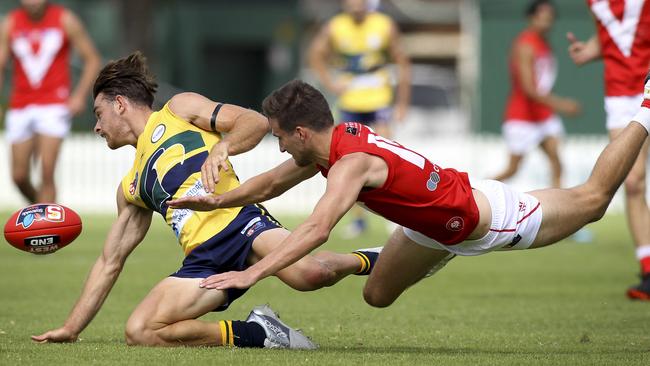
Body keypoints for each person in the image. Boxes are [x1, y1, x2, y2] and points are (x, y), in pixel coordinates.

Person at [168, 78, 650, 310]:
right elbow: (270, 184)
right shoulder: (325, 147)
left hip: (484, 218)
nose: (277, 144)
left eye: (277, 136)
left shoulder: (349, 163)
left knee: (593, 200)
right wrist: (214, 201)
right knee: (376, 295)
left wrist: (249, 275)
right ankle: (405, 252)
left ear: (298, 132)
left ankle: (645, 105)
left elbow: (316, 229)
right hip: (427, 227)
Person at [31, 53, 381, 348]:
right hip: (204, 261)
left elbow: (254, 122)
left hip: (240, 223)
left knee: (310, 274)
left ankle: (372, 257)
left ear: (119, 104)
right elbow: (110, 261)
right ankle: (258, 332)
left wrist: (222, 147)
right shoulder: (131, 188)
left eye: (98, 113)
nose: (97, 126)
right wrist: (72, 327)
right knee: (140, 331)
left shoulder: (177, 111)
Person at [567, 0, 650, 300]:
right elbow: (608, 35)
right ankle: (648, 271)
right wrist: (589, 50)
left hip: (648, 80)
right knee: (632, 181)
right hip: (619, 93)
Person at [308, 0, 411, 237]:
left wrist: (403, 102)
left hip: (379, 96)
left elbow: (403, 62)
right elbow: (315, 54)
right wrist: (330, 83)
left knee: (389, 155)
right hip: (350, 100)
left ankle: (396, 215)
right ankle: (358, 220)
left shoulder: (384, 24)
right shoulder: (335, 26)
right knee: (344, 159)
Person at [0, 0, 101, 203]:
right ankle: (44, 211)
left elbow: (92, 59)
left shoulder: (65, 19)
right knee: (18, 176)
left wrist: (79, 96)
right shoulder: (11, 23)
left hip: (54, 104)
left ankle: (47, 229)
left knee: (47, 172)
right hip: (20, 104)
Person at [493, 0, 580, 188]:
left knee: (557, 165)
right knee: (512, 169)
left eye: (550, 18)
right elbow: (528, 89)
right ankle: (473, 194)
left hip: (543, 115)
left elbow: (542, 83)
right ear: (531, 18)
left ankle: (556, 214)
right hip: (522, 115)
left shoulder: (545, 44)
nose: (547, 22)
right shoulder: (525, 45)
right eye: (542, 17)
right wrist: (562, 105)